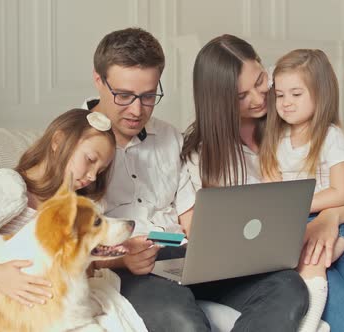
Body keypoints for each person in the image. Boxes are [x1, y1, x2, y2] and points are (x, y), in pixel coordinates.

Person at [181, 34, 344, 332]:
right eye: (241, 96)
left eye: (260, 82)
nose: (259, 99)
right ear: (218, 100)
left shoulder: (293, 118)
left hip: (326, 228)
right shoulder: (203, 155)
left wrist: (333, 216)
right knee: (334, 290)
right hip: (280, 257)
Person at [84, 27, 308, 332]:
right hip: (128, 266)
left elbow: (192, 220)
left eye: (148, 96)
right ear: (99, 80)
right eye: (123, 96)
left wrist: (223, 249)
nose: (137, 110)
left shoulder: (171, 138)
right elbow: (64, 239)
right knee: (183, 322)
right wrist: (121, 261)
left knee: (286, 285)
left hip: (184, 256)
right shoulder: (75, 142)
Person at [0, 109, 116, 307]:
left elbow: (82, 264)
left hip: (53, 296)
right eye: (90, 160)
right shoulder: (13, 189)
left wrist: (120, 257)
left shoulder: (80, 206)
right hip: (7, 294)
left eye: (100, 171)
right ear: (58, 141)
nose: (93, 176)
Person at [259, 48, 344, 332]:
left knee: (309, 260)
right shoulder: (277, 139)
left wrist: (296, 206)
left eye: (296, 94)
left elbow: (341, 192)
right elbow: (274, 192)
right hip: (296, 219)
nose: (286, 103)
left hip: (337, 224)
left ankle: (310, 324)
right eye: (279, 95)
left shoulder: (332, 136)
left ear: (321, 94)